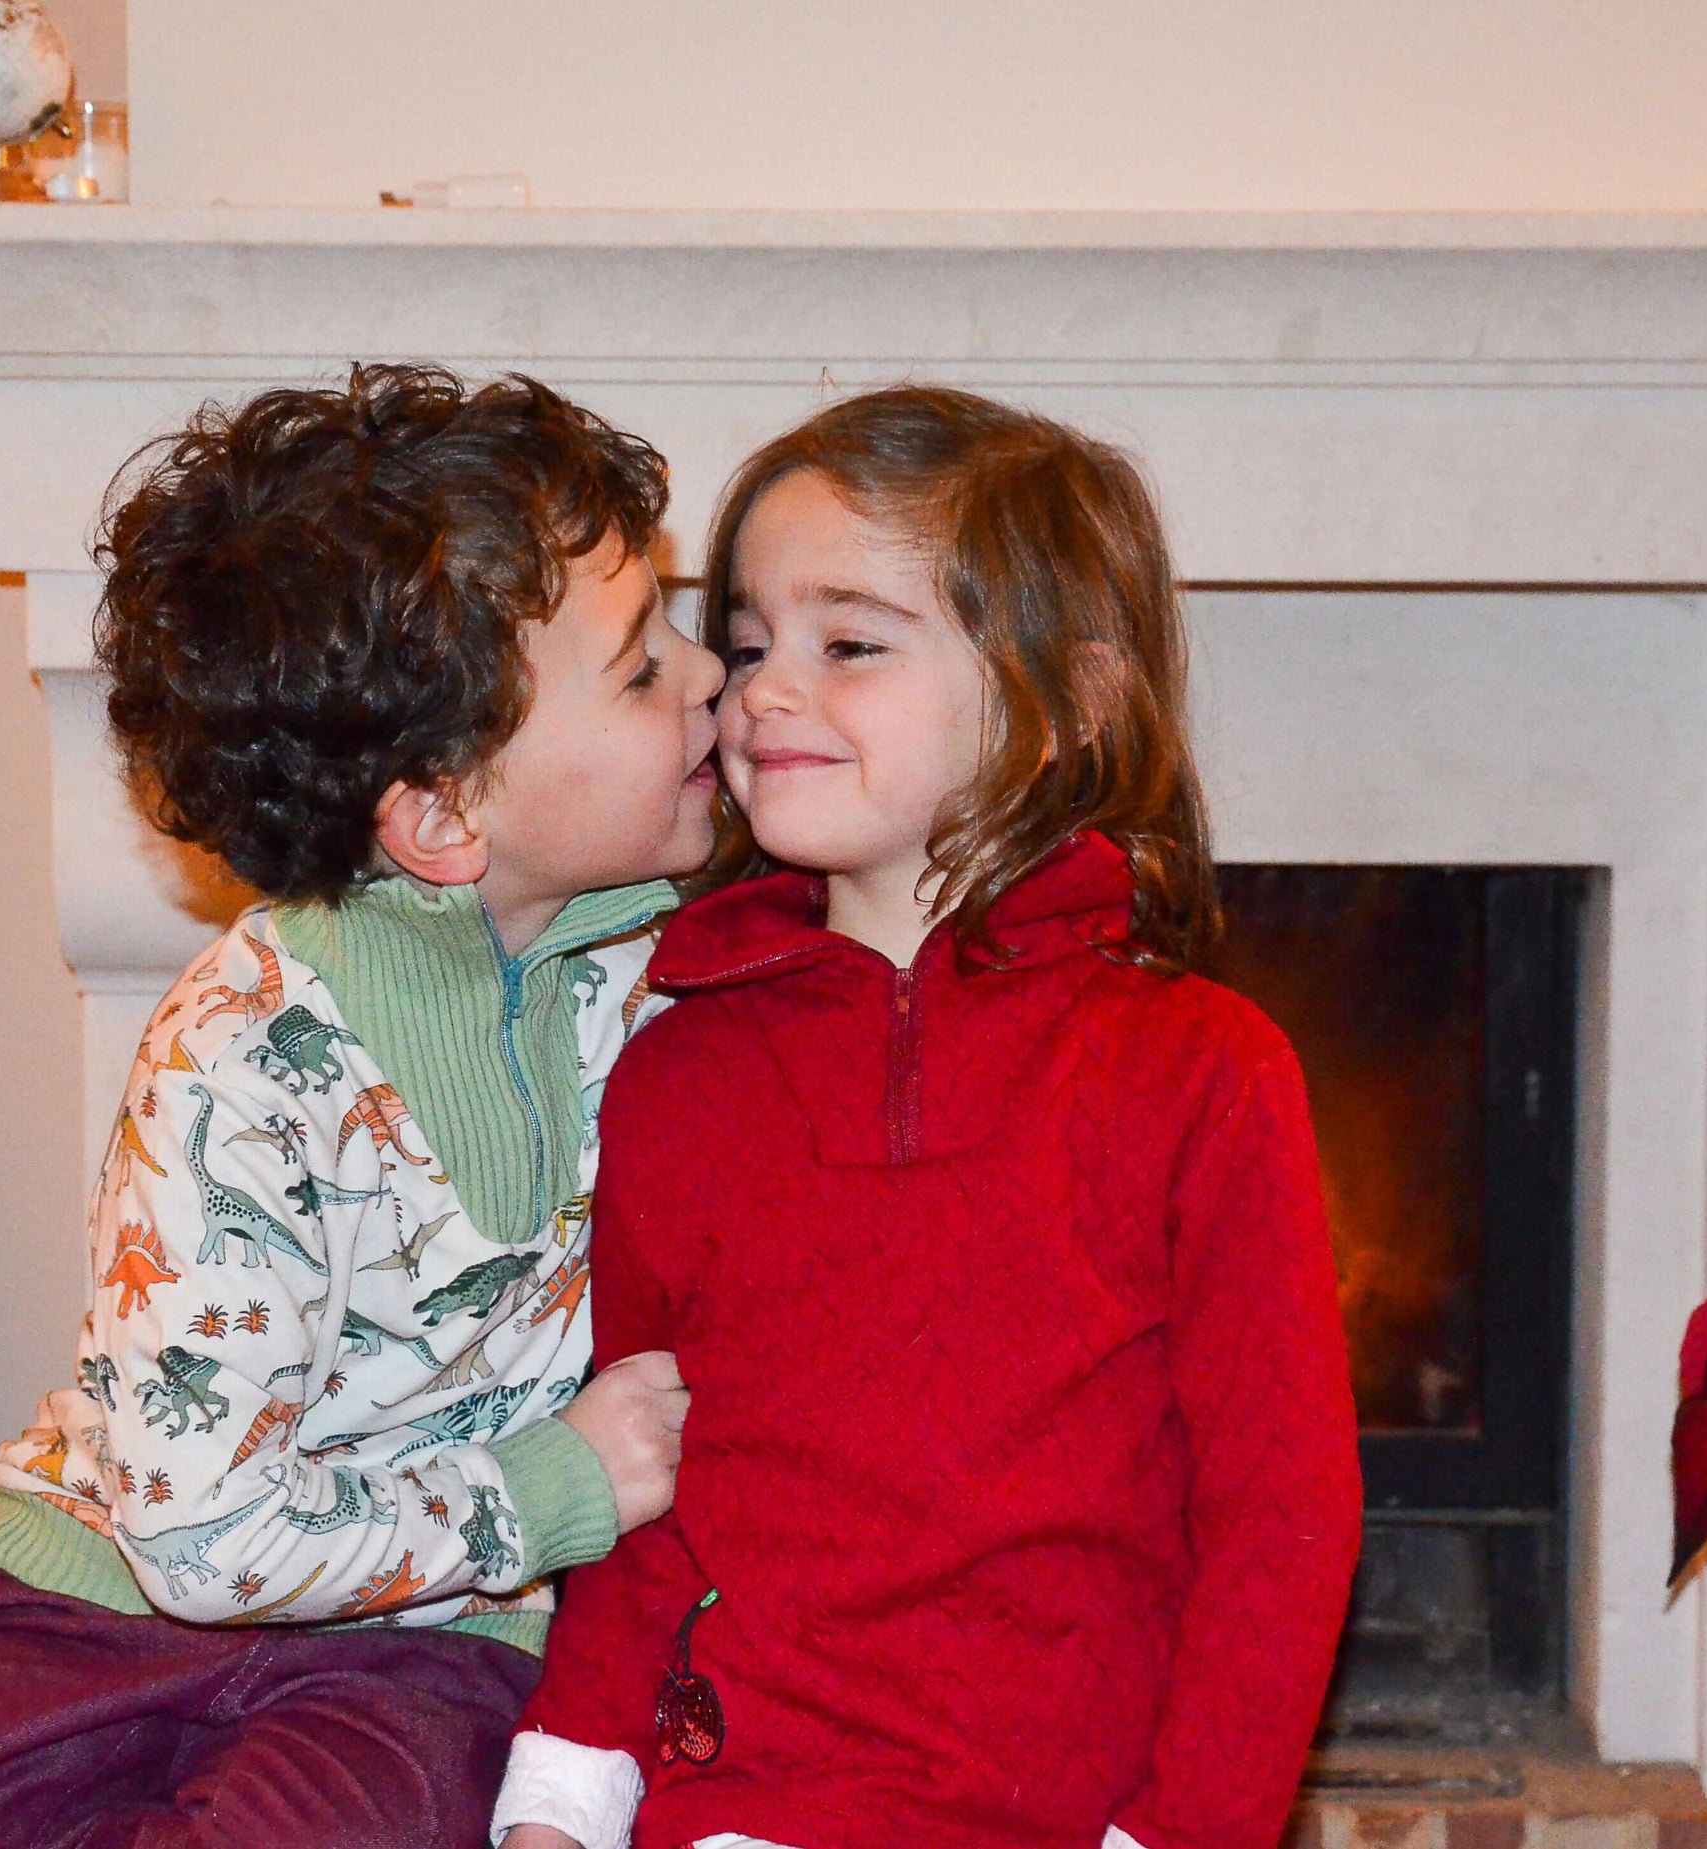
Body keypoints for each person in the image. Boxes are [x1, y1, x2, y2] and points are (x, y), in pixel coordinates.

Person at [0, 365, 719, 1849]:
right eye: (639, 662)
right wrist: (547, 1488)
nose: (708, 673)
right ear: (442, 815)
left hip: (428, 1642)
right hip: (106, 1588)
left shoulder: (693, 966)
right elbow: (202, 1531)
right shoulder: (240, 1050)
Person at [491, 387, 1364, 1849]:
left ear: (1064, 704)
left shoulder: (1201, 1072)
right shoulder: (680, 1076)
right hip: (738, 1807)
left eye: (847, 644)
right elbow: (644, 1480)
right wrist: (561, 1797)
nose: (759, 690)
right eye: (753, 642)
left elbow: (1280, 1524)